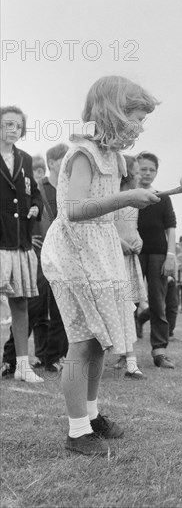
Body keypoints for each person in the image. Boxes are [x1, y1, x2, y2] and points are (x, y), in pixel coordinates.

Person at [41, 76, 160, 456]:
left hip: (101, 251)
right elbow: (74, 210)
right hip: (75, 256)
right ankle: (77, 432)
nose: (140, 128)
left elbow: (101, 212)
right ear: (112, 112)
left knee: (99, 341)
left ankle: (91, 417)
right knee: (82, 340)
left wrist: (121, 235)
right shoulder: (83, 154)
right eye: (136, 119)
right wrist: (126, 197)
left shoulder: (112, 157)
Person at [2, 143, 69, 377]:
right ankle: (10, 359)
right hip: (41, 255)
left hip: (66, 257)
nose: (68, 162)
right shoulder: (41, 185)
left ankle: (54, 357)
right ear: (52, 162)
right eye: (63, 158)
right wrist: (31, 236)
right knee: (31, 305)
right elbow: (27, 208)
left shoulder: (72, 188)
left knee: (62, 307)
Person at [0, 106, 43, 384]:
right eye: (7, 124)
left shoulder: (26, 159)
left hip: (20, 242)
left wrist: (36, 208)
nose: (12, 129)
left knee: (20, 303)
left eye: (17, 125)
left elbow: (35, 194)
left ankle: (22, 365)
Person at [136, 151, 177, 368]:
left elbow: (171, 227)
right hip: (132, 253)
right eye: (143, 169)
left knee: (158, 304)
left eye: (152, 170)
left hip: (159, 255)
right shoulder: (128, 196)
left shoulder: (163, 197)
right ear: (135, 170)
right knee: (129, 303)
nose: (148, 173)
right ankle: (126, 354)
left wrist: (171, 256)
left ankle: (159, 351)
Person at [113, 155, 148, 379]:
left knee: (127, 309)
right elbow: (105, 227)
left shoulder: (134, 202)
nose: (139, 177)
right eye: (135, 173)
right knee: (114, 309)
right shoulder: (112, 198)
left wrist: (137, 240)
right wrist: (120, 243)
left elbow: (131, 228)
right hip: (112, 260)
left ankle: (131, 362)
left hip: (128, 260)